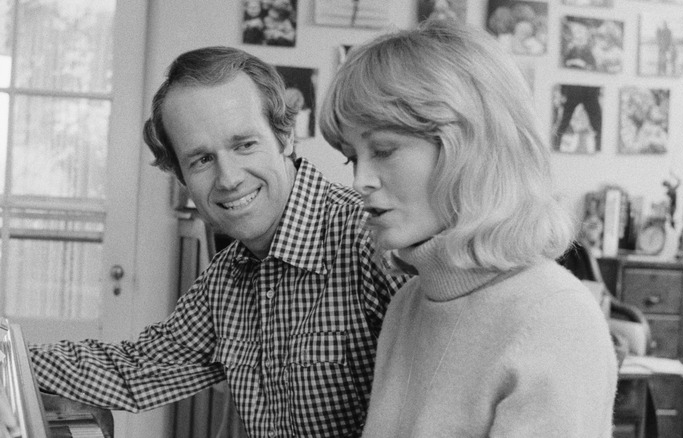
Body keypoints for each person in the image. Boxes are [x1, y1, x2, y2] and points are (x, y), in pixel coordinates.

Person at [11, 47, 407, 438]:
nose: (229, 178)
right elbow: (137, 369)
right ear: (180, 175)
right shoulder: (227, 278)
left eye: (244, 144)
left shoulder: (372, 239)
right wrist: (8, 360)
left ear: (284, 136)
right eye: (201, 159)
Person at [320, 20, 617, 437]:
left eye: (384, 150)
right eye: (352, 157)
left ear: (470, 150)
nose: (359, 181)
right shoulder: (409, 302)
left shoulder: (555, 319)